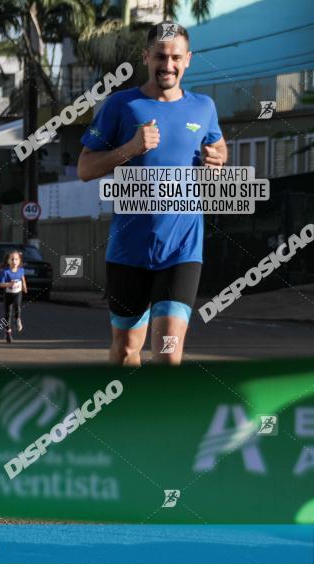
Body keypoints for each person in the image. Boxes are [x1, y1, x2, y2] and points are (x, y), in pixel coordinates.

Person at [78, 22, 226, 366]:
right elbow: (85, 168)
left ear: (188, 59)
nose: (168, 64)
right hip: (129, 249)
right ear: (147, 57)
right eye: (161, 56)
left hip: (182, 249)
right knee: (127, 349)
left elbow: (218, 146)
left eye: (176, 57)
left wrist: (217, 159)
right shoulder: (121, 105)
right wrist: (129, 148)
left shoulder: (204, 107)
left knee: (168, 352)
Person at [0, 250, 27, 343]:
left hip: (17, 292)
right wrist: (9, 284)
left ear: (19, 261)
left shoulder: (21, 270)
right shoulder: (4, 272)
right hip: (8, 294)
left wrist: (24, 287)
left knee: (17, 305)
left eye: (16, 259)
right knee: (8, 313)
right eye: (12, 259)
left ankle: (18, 319)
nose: (14, 261)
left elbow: (22, 278)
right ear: (8, 261)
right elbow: (1, 285)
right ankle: (8, 332)